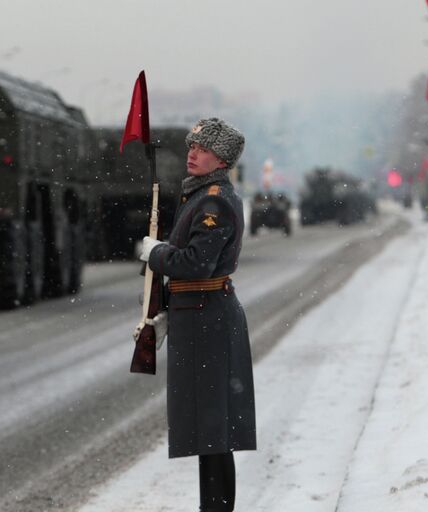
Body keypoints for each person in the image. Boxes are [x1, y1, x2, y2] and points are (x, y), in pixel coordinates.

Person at [138, 118, 256, 512]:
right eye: (192, 145)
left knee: (214, 428)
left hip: (209, 319)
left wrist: (154, 253)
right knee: (210, 428)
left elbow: (197, 263)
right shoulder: (202, 195)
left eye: (202, 148)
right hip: (200, 316)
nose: (192, 153)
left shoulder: (214, 201)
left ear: (220, 158)